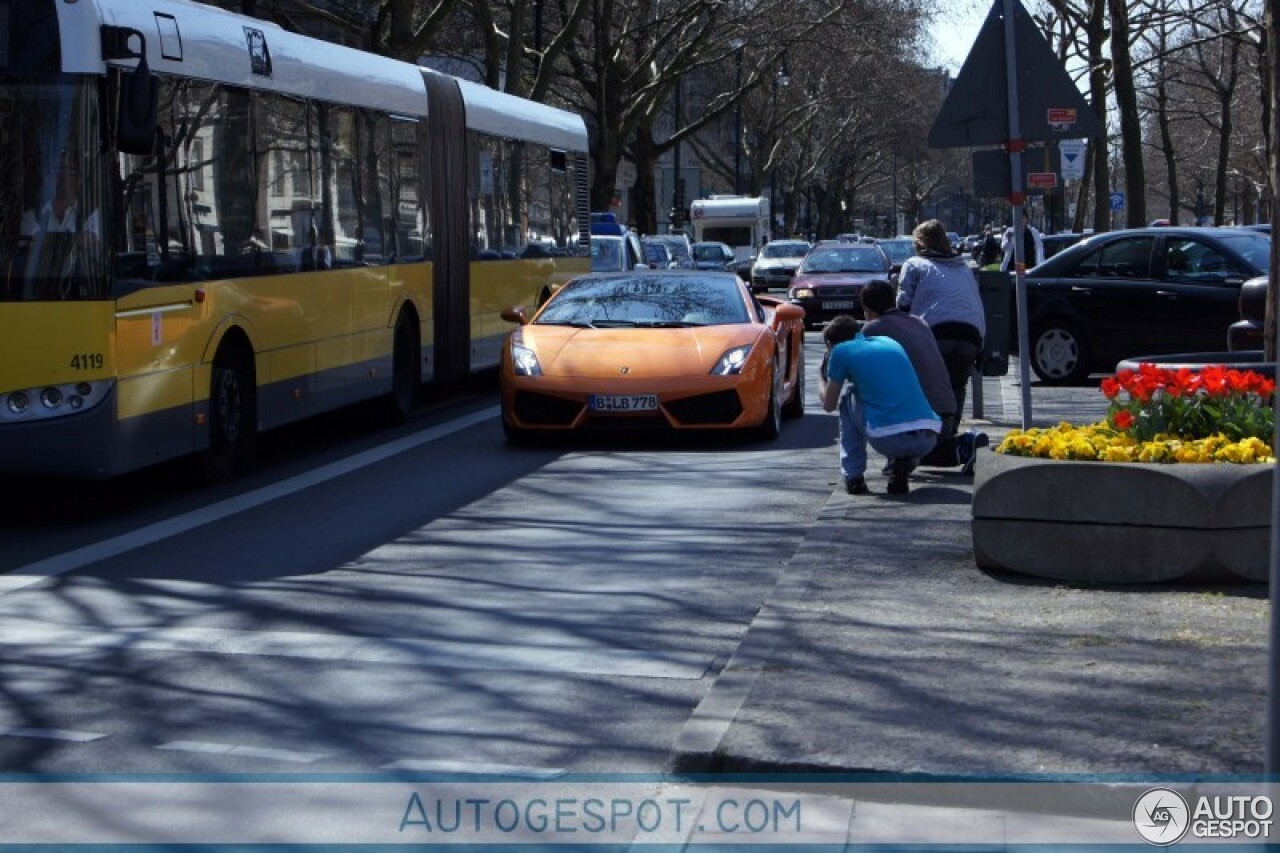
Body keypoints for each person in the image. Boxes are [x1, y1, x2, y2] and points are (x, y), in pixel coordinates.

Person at [861, 279, 988, 474]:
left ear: (868, 309)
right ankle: (959, 445)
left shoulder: (873, 329)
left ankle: (958, 448)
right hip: (946, 414)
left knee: (856, 399)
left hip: (920, 421)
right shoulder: (918, 322)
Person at [819, 314, 941, 496]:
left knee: (847, 399)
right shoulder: (889, 342)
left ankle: (854, 477)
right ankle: (902, 465)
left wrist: (821, 377)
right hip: (928, 437)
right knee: (885, 399)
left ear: (830, 344)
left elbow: (829, 404)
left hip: (889, 440)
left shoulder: (840, 351)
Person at [895, 219, 986, 445]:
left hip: (936, 333)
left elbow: (902, 302)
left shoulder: (915, 264)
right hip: (970, 335)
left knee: (926, 385)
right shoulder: (963, 267)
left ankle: (929, 437)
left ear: (921, 242)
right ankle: (950, 432)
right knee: (957, 384)